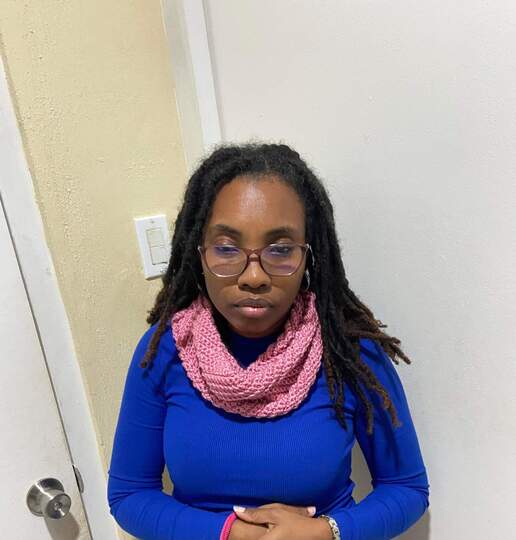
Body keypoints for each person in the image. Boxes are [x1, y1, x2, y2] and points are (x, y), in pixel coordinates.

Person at [107, 142, 430, 540]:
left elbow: (407, 488)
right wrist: (229, 533)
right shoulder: (165, 350)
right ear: (198, 253)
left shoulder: (348, 350)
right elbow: (129, 494)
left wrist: (324, 532)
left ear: (308, 255)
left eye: (280, 249)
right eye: (227, 248)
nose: (254, 277)